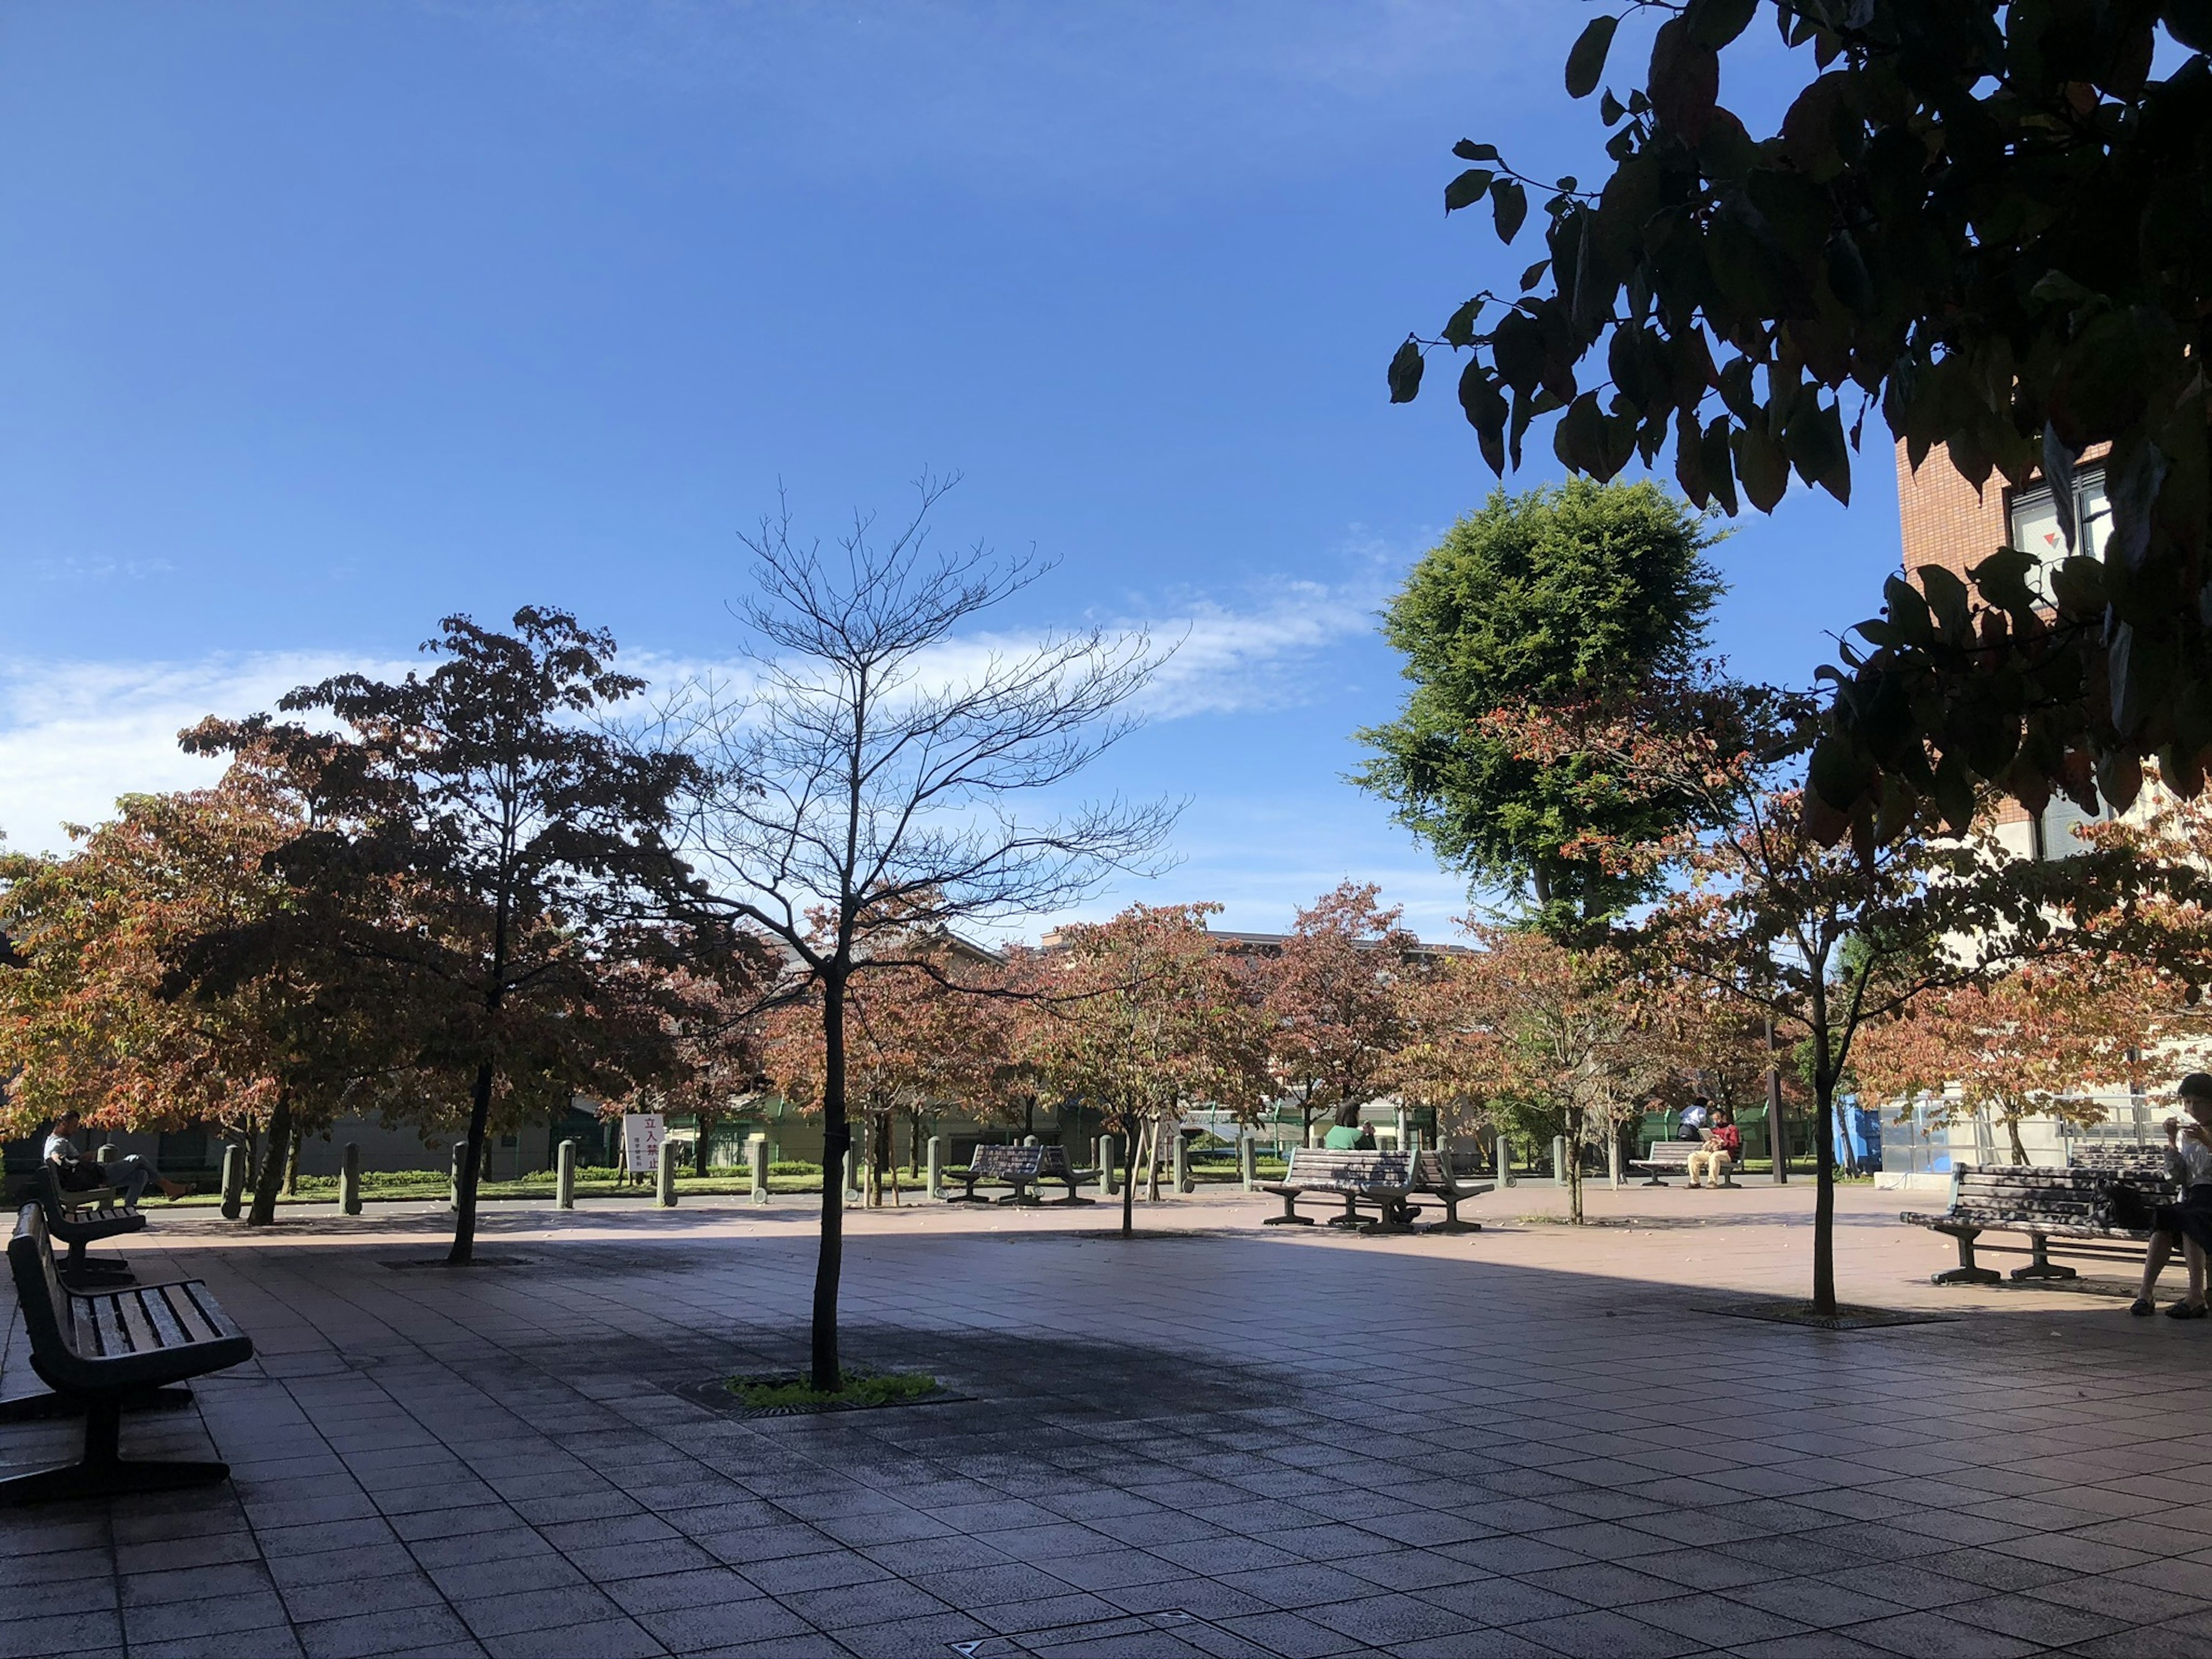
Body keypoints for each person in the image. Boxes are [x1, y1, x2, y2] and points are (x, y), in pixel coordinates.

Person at [2133, 1074, 2212, 1319]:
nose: (2191, 1109)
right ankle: (2145, 1293)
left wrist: (2208, 1142)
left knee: (2191, 1220)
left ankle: (2196, 1295)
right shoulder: (2187, 1133)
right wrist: (2171, 1143)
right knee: (2166, 1220)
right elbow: (2174, 1178)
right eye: (2187, 1103)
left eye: (2198, 1103)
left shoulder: (2203, 1134)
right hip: (2192, 1197)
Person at [43, 1112, 190, 1209]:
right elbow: (57, 1159)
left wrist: (81, 1158)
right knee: (137, 1159)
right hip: (97, 1176)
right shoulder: (58, 1143)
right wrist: (80, 1163)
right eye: (74, 1126)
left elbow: (66, 1162)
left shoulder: (53, 1141)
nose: (76, 1130)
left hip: (92, 1177)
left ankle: (129, 1209)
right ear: (63, 1124)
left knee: (141, 1175)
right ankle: (169, 1187)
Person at [1687, 1104, 1740, 1188]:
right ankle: (1695, 1182)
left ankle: (1712, 1182)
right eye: (1715, 1120)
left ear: (1724, 1117)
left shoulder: (1732, 1129)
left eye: (1718, 1119)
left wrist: (1722, 1143)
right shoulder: (1714, 1130)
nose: (1717, 1121)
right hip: (1713, 1151)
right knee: (1693, 1157)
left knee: (1714, 1157)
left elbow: (1734, 1143)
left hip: (1726, 1153)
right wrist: (1709, 1142)